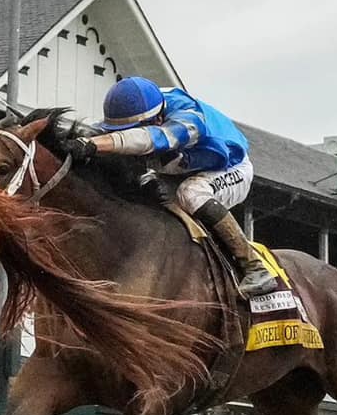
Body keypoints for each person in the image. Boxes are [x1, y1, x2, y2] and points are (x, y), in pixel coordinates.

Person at [62, 75, 276, 298]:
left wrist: (93, 144)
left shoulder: (189, 119)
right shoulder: (145, 106)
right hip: (181, 169)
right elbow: (103, 134)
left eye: (133, 128)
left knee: (191, 193)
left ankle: (254, 267)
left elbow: (149, 139)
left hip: (229, 168)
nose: (127, 133)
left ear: (158, 118)